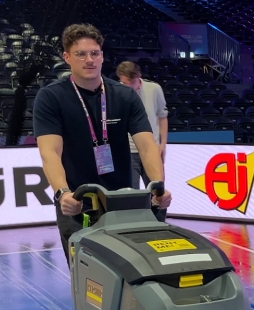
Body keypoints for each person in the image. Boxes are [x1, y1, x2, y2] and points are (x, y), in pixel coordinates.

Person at [34, 23, 172, 264]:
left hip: (122, 199)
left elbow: (147, 146)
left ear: (102, 56)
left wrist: (158, 187)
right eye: (81, 54)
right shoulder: (51, 97)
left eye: (95, 53)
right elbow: (50, 153)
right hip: (77, 201)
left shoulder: (124, 95)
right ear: (67, 57)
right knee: (86, 277)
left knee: (129, 271)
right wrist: (62, 193)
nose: (89, 60)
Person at [116, 61, 168, 190]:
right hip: (128, 151)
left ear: (138, 76)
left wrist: (163, 144)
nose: (127, 86)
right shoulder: (117, 91)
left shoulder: (154, 89)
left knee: (157, 191)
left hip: (152, 148)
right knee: (131, 193)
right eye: (123, 83)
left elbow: (162, 117)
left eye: (130, 82)